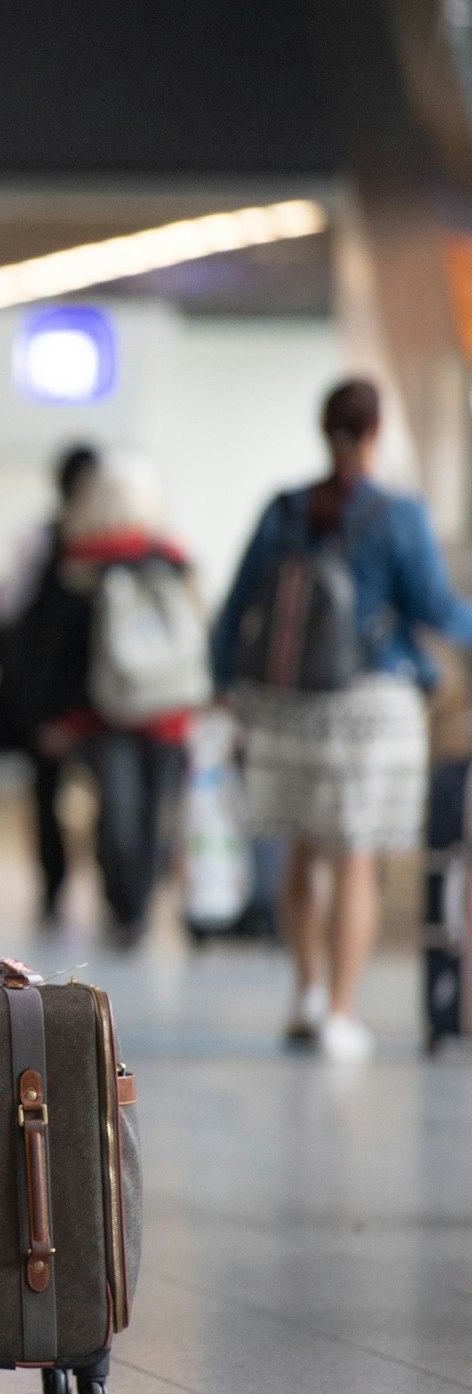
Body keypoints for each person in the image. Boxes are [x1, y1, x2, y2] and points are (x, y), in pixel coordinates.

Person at [213, 378, 472, 1059]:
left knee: (304, 847)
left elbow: (240, 603)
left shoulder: (286, 508)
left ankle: (304, 992)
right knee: (355, 856)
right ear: (377, 431)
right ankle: (342, 1011)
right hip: (369, 701)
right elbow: (436, 609)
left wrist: (221, 685)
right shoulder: (398, 513)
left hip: (288, 705)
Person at [18, 452, 202, 946]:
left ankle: (129, 909)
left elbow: (51, 649)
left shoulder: (77, 565)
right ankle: (133, 908)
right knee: (148, 816)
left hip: (100, 714)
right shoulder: (174, 561)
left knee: (118, 818)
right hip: (165, 711)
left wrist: (52, 716)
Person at [0, 444, 98, 921]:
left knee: (47, 795)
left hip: (48, 695)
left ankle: (55, 889)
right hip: (96, 695)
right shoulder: (121, 543)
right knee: (101, 794)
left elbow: (7, 609)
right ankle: (115, 899)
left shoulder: (40, 539)